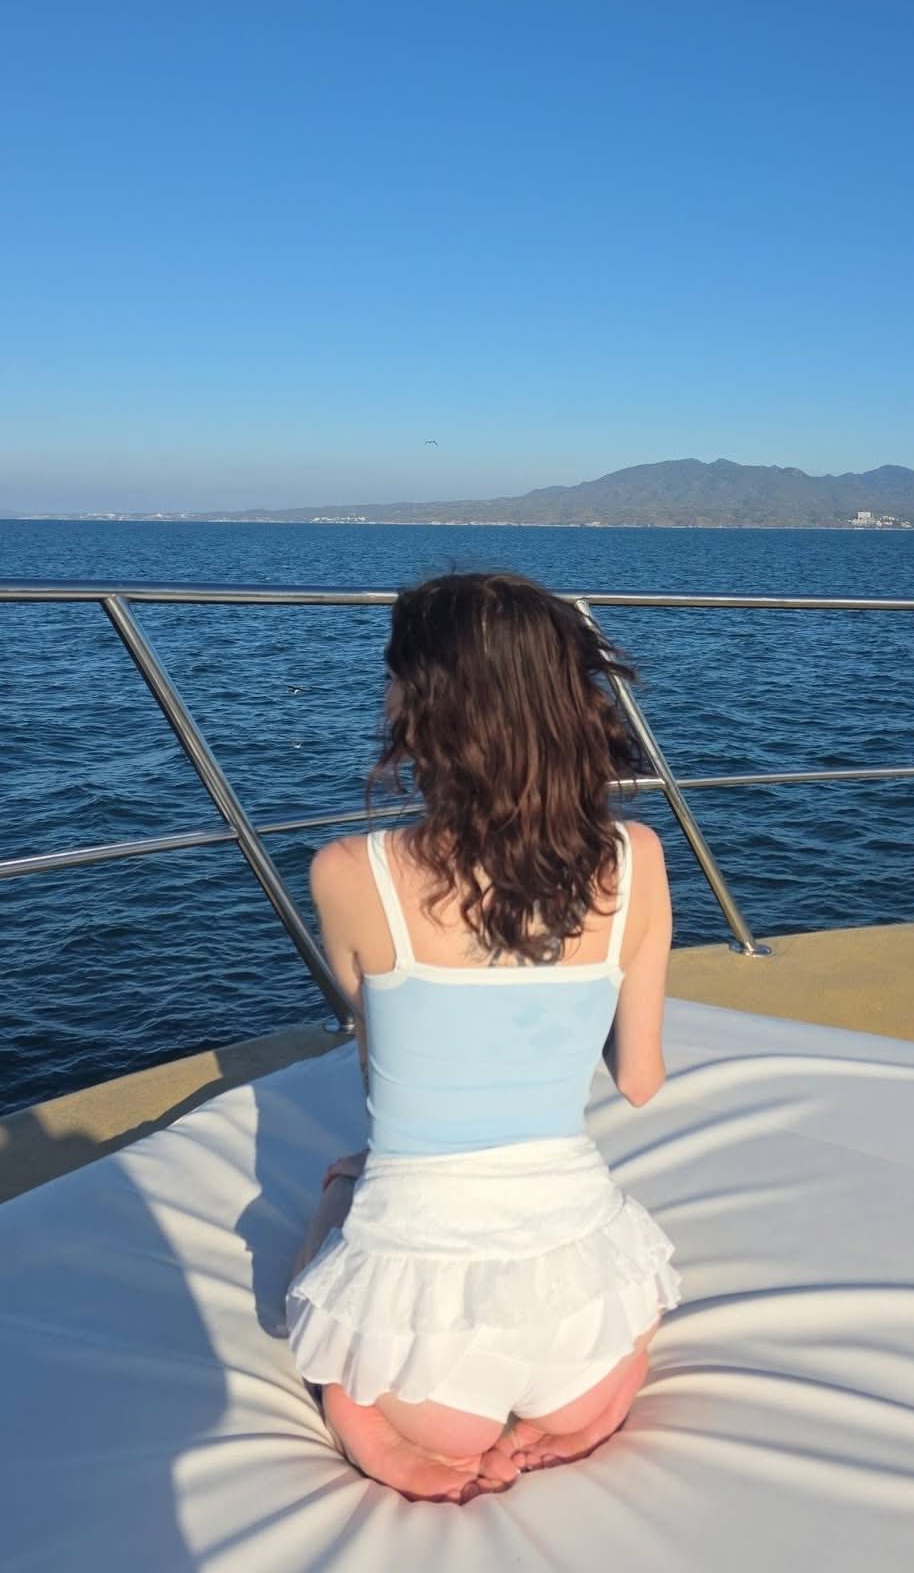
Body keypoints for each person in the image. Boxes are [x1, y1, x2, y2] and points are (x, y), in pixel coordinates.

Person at [286, 572, 680, 1503]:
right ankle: (575, 1424)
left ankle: (378, 1438)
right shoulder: (637, 859)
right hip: (585, 1342)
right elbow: (639, 1078)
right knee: (632, 1324)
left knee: (331, 1242)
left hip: (422, 1359)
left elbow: (380, 1061)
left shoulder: (350, 872)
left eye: (395, 676)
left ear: (427, 711)